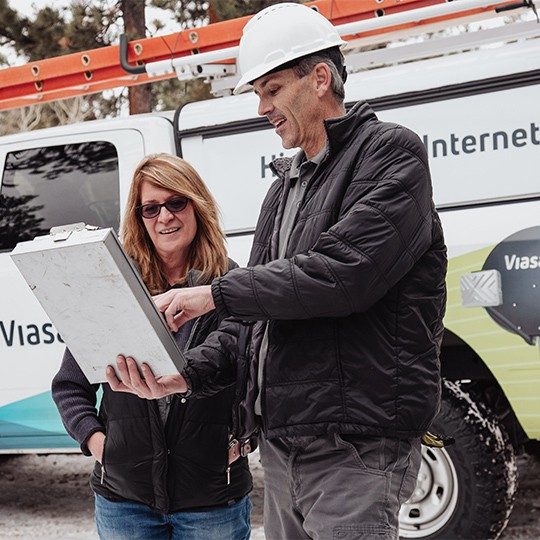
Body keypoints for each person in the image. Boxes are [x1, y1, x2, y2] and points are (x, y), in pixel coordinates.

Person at [108, 3, 447, 539]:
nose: (262, 107)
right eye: (257, 94)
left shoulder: (389, 154)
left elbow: (343, 274)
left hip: (354, 441)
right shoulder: (284, 187)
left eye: (271, 89)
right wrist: (184, 374)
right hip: (286, 442)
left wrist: (213, 295)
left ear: (319, 78)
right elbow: (253, 324)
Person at [52, 153, 253, 540]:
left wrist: (243, 440)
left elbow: (251, 374)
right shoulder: (114, 288)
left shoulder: (229, 285)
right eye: (151, 208)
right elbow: (69, 386)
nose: (165, 217)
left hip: (211, 500)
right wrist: (101, 447)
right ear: (139, 218)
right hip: (125, 502)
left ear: (197, 206)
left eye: (176, 202)